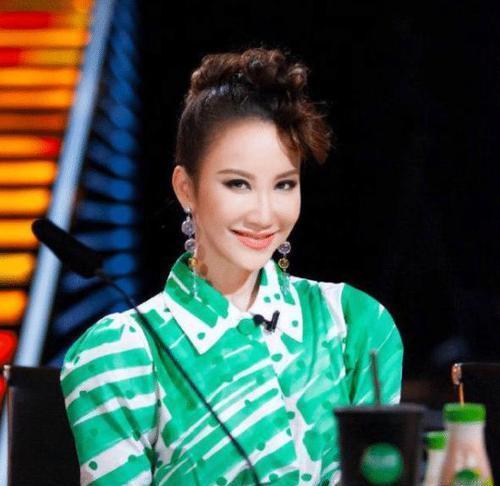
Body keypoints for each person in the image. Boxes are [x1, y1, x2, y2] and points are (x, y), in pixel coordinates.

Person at [60, 46, 403, 485]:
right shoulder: (121, 353)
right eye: (238, 184)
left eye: (284, 185)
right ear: (186, 188)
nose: (264, 214)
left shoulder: (354, 325)